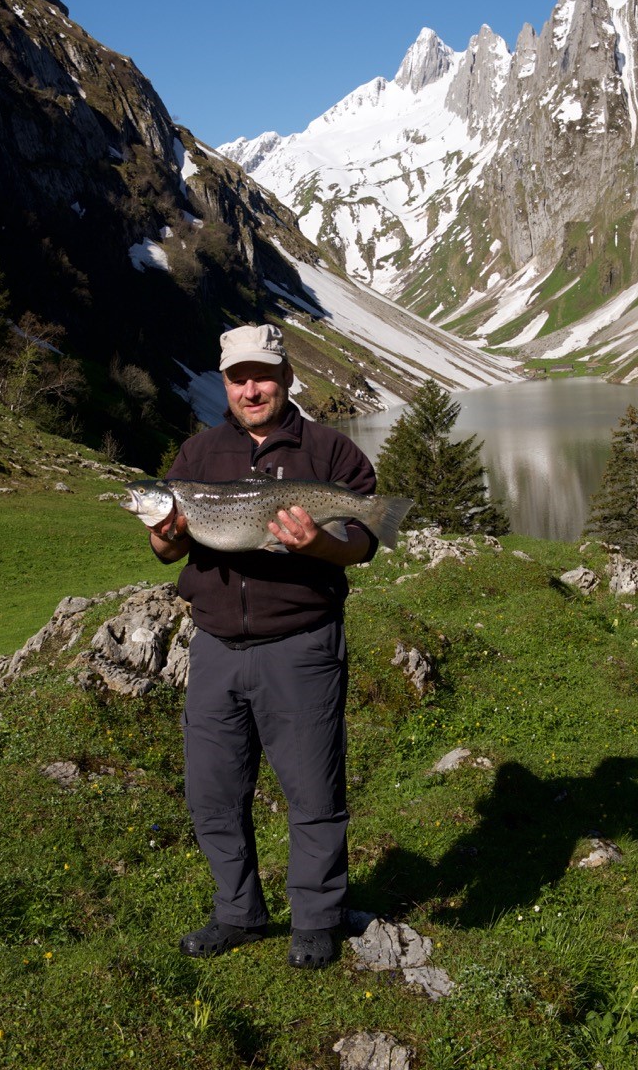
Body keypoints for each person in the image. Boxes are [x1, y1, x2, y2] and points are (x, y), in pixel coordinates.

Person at [148, 323, 378, 969]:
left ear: (285, 377)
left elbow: (362, 543)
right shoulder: (195, 458)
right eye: (239, 376)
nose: (252, 388)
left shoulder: (330, 453)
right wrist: (165, 532)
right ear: (225, 382)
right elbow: (167, 547)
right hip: (216, 646)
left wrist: (320, 544)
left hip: (301, 646)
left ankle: (315, 918)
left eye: (264, 375)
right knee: (212, 792)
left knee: (312, 791)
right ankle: (238, 913)